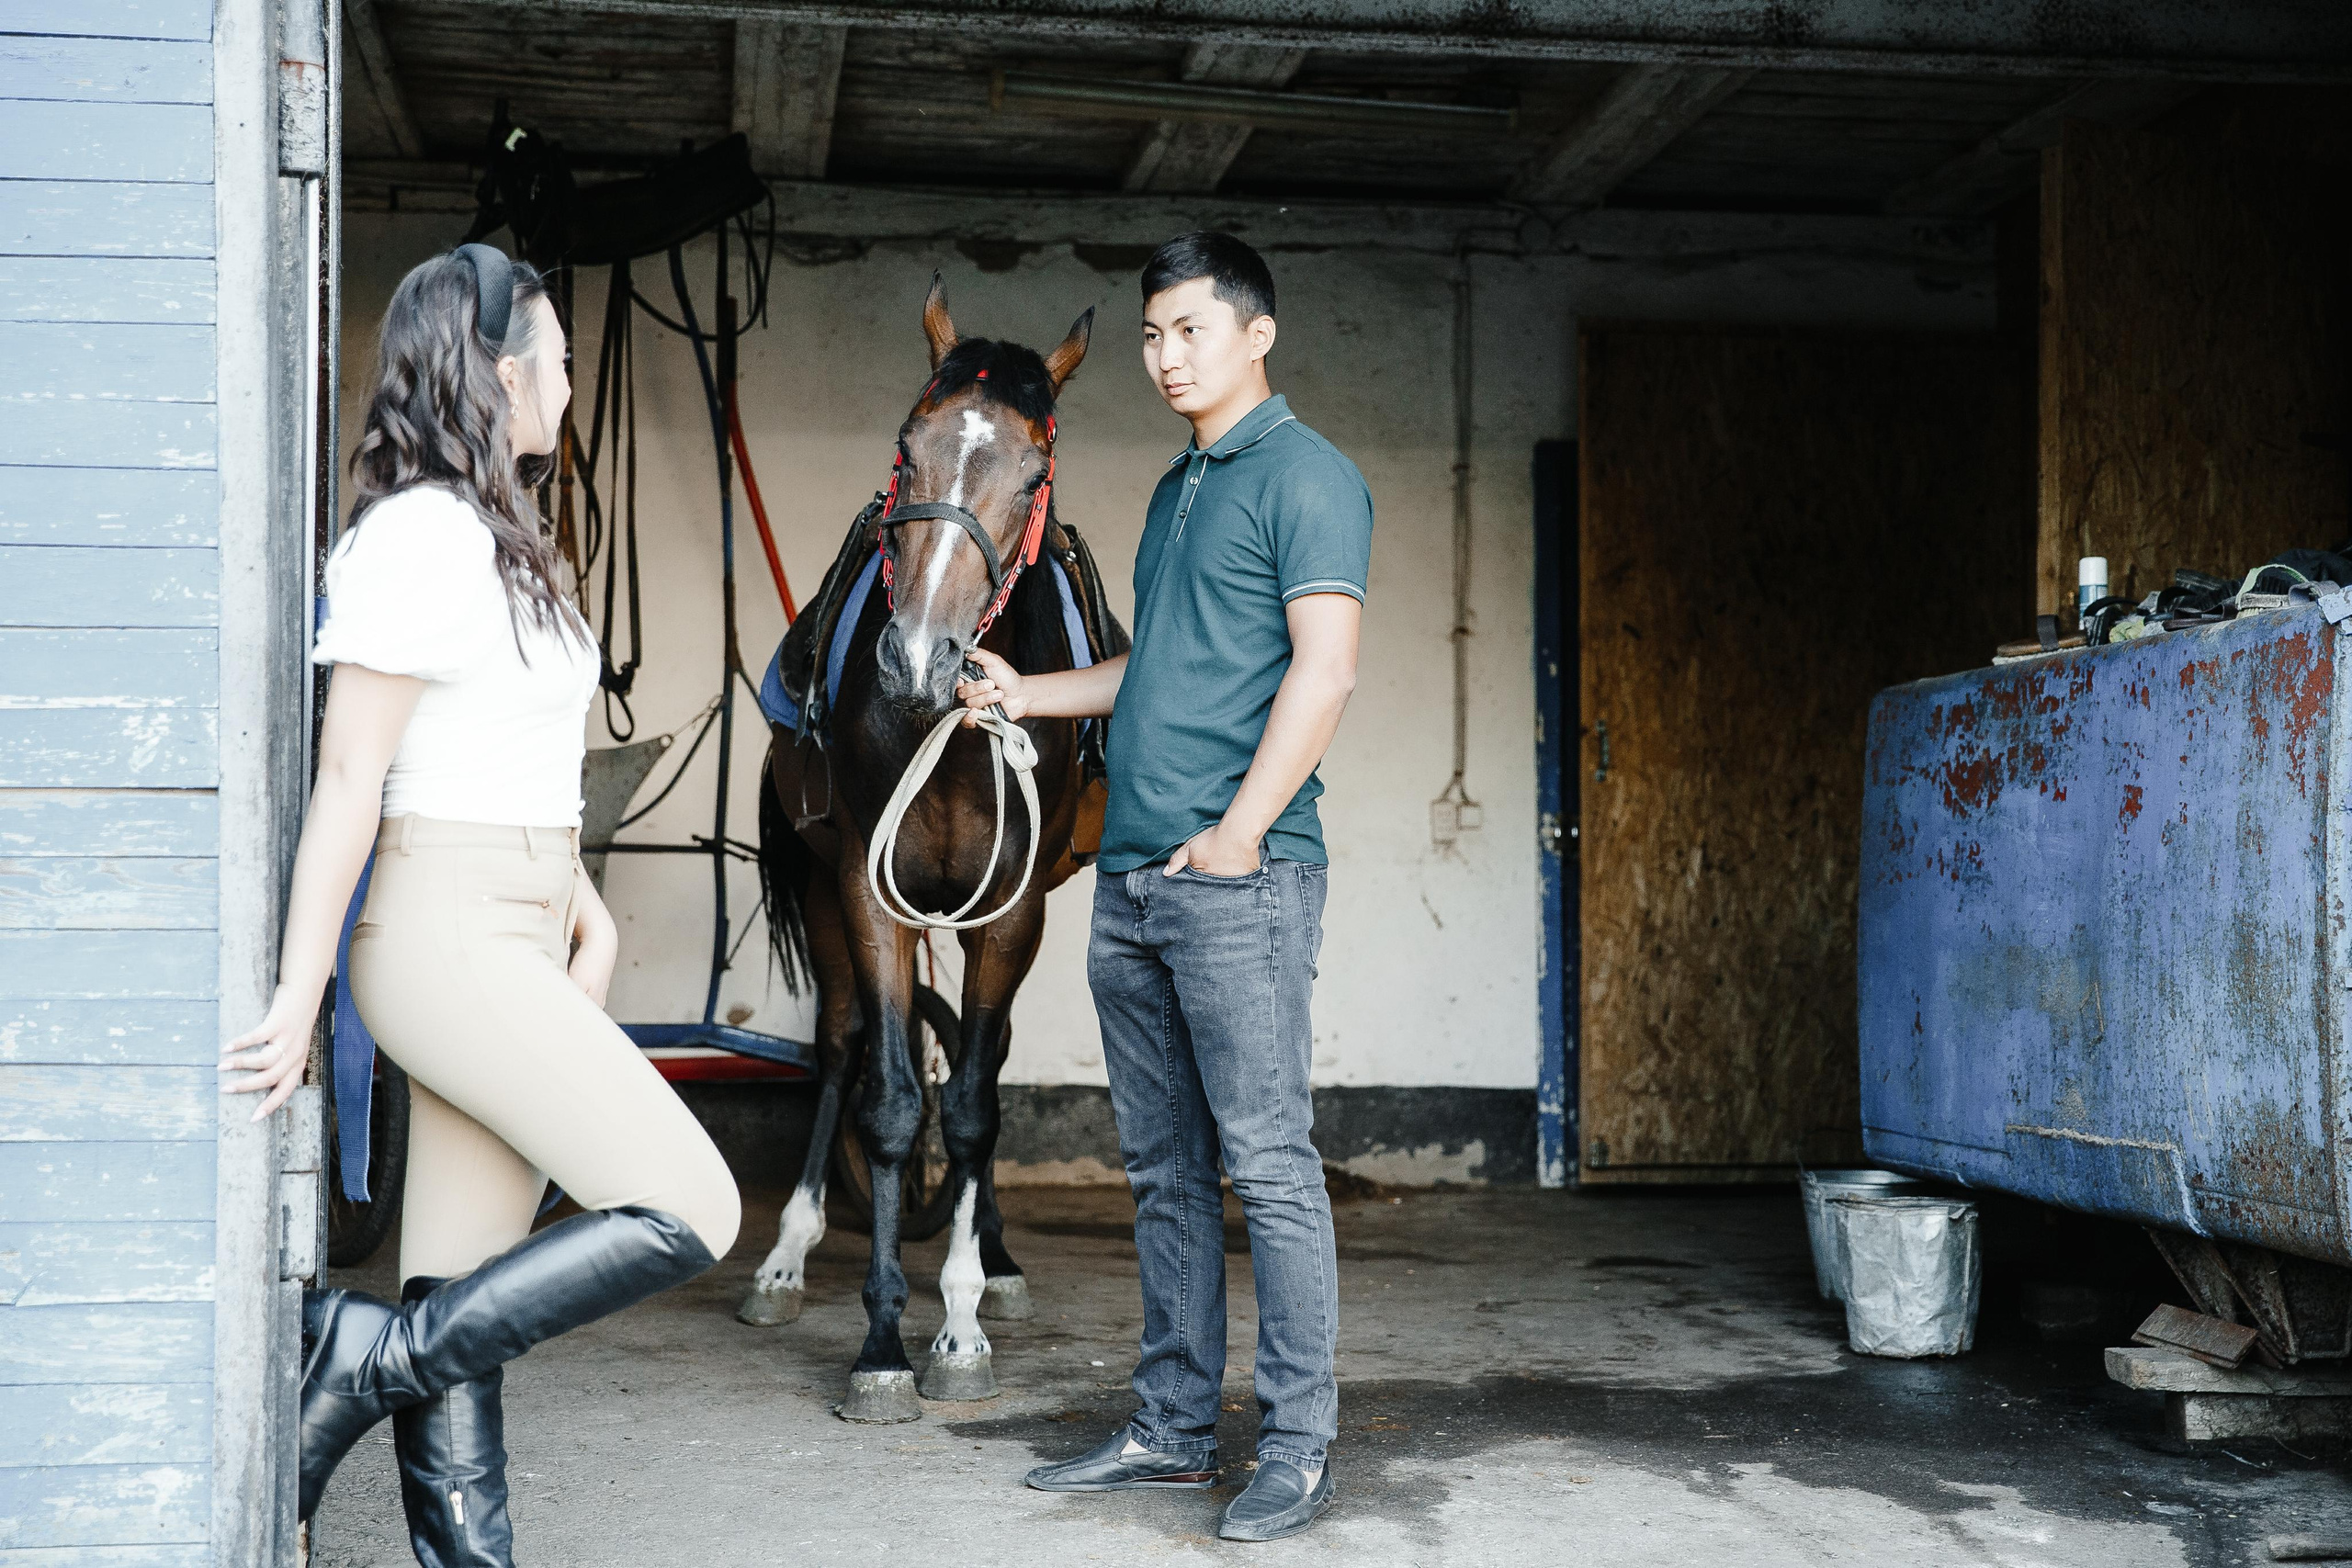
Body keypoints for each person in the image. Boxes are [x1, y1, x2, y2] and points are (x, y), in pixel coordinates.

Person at [220, 244, 741, 1567]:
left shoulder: (505, 537)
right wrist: (300, 994)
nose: (570, 378)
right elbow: (353, 776)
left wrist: (589, 910)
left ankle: (434, 1472)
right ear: (503, 372)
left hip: (510, 912)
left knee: (465, 1301)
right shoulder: (413, 538)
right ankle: (360, 1351)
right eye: (559, 358)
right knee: (696, 1205)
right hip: (444, 931)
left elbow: (509, 748)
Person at [956, 231, 1369, 1543]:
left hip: (1237, 880)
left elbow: (1327, 670)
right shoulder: (1176, 490)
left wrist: (1242, 831)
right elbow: (1156, 671)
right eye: (1150, 334)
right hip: (1134, 877)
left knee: (1269, 1165)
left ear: (1258, 334)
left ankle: (1297, 1444)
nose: (1165, 355)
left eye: (1190, 329)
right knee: (1165, 1172)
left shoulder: (1310, 476)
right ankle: (1175, 1430)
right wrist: (1030, 690)